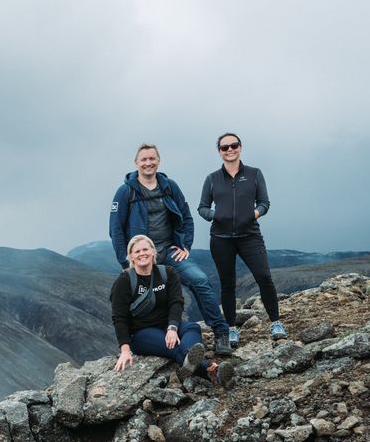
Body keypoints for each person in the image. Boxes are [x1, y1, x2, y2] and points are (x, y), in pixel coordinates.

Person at [110, 143, 232, 356]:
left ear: (158, 161)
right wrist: (126, 262)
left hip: (169, 251)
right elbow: (116, 230)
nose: (148, 163)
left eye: (152, 159)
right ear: (136, 163)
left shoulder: (169, 186)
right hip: (143, 259)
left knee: (200, 280)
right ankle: (142, 341)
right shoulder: (125, 192)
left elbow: (186, 216)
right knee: (145, 299)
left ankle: (221, 333)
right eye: (144, 159)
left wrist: (186, 245)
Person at [198, 132, 286, 343]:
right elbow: (202, 207)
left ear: (240, 147)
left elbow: (264, 203)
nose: (230, 150)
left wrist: (254, 214)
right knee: (227, 284)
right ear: (219, 152)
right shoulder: (212, 178)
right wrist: (215, 216)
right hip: (220, 237)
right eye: (225, 147)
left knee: (264, 276)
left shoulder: (254, 174)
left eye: (234, 145)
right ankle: (231, 328)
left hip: (249, 235)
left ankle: (275, 323)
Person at [112, 235, 233, 387]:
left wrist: (172, 327)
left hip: (167, 324)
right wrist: (124, 350)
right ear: (131, 257)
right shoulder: (124, 281)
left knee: (192, 327)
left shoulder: (167, 273)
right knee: (172, 346)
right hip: (141, 333)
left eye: (145, 249)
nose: (142, 253)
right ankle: (210, 370)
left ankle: (189, 359)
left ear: (153, 252)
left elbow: (176, 302)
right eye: (137, 251)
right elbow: (119, 317)